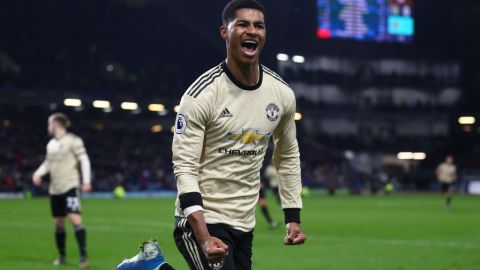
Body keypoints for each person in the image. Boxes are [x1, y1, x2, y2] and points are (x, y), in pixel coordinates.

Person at [172, 0, 306, 269]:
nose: (252, 31)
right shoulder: (201, 96)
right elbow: (184, 167)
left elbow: (288, 155)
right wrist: (204, 237)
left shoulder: (281, 95)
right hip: (202, 220)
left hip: (244, 224)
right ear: (225, 32)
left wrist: (293, 215)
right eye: (242, 24)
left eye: (259, 25)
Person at [32, 113, 92, 268]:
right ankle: (62, 256)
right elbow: (47, 163)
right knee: (59, 223)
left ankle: (83, 257)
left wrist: (86, 181)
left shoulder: (73, 140)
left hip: (70, 186)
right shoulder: (51, 144)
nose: (48, 127)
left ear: (56, 124)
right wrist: (38, 173)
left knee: (75, 219)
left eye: (49, 124)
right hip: (55, 189)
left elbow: (84, 159)